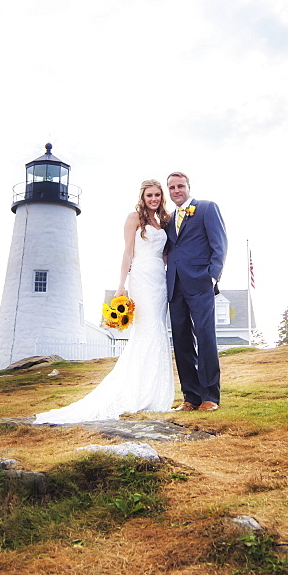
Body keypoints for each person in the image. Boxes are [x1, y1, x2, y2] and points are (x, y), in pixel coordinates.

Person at [34, 179, 174, 424]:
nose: (154, 199)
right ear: (142, 197)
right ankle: (134, 392)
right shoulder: (134, 218)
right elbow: (127, 252)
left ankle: (155, 393)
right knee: (147, 329)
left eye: (157, 195)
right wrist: (121, 286)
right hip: (140, 278)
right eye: (150, 195)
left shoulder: (164, 221)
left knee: (158, 330)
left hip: (159, 280)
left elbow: (165, 255)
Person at [165, 171, 227, 412]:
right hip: (175, 285)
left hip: (200, 282)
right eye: (172, 188)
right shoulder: (169, 218)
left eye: (180, 186)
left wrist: (212, 275)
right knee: (181, 340)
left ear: (188, 187)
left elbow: (219, 243)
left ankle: (210, 396)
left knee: (205, 337)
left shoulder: (207, 208)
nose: (176, 191)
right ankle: (190, 397)